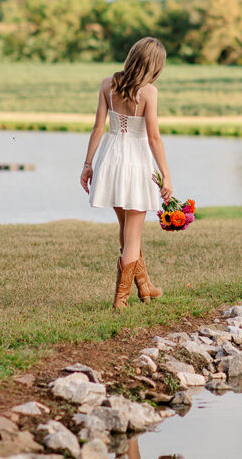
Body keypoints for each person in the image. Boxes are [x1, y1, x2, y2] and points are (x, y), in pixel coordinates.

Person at [80, 37, 174, 309]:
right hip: (135, 162)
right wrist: (166, 174)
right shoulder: (149, 93)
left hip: (110, 159)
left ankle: (145, 287)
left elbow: (98, 128)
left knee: (125, 229)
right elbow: (154, 137)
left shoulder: (107, 84)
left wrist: (88, 165)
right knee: (133, 235)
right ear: (154, 66)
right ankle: (120, 300)